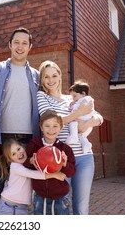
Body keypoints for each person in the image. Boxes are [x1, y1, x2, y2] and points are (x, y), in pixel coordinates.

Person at [0, 27, 41, 215]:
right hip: (0, 141)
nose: (20, 47)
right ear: (10, 45)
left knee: (24, 195)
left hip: (28, 141)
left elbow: (47, 105)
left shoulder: (36, 76)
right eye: (16, 42)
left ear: (30, 47)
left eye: (24, 43)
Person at [37, 60, 103, 215]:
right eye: (46, 77)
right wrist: (79, 113)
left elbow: (98, 117)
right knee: (62, 206)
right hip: (59, 159)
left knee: (81, 209)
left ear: (60, 76)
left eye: (54, 75)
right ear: (41, 79)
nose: (51, 80)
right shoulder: (41, 96)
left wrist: (87, 124)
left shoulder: (71, 98)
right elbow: (51, 120)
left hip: (84, 158)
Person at [24, 110, 76, 215]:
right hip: (40, 195)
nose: (51, 129)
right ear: (41, 127)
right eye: (47, 126)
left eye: (55, 126)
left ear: (61, 127)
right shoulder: (35, 144)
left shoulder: (65, 149)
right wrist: (31, 161)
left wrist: (65, 164)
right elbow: (24, 162)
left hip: (61, 196)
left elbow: (72, 172)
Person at [0, 138, 66, 215]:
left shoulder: (27, 164)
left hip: (21, 208)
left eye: (18, 149)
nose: (19, 153)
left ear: (22, 147)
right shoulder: (15, 166)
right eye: (13, 154)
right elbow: (32, 174)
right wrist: (54, 175)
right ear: (9, 159)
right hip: (8, 206)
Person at [66, 80, 96, 153]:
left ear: (83, 93)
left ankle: (73, 136)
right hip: (88, 126)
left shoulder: (84, 100)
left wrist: (71, 106)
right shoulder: (88, 99)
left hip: (82, 121)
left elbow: (79, 109)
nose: (73, 98)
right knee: (82, 137)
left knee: (72, 122)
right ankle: (86, 145)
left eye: (74, 96)